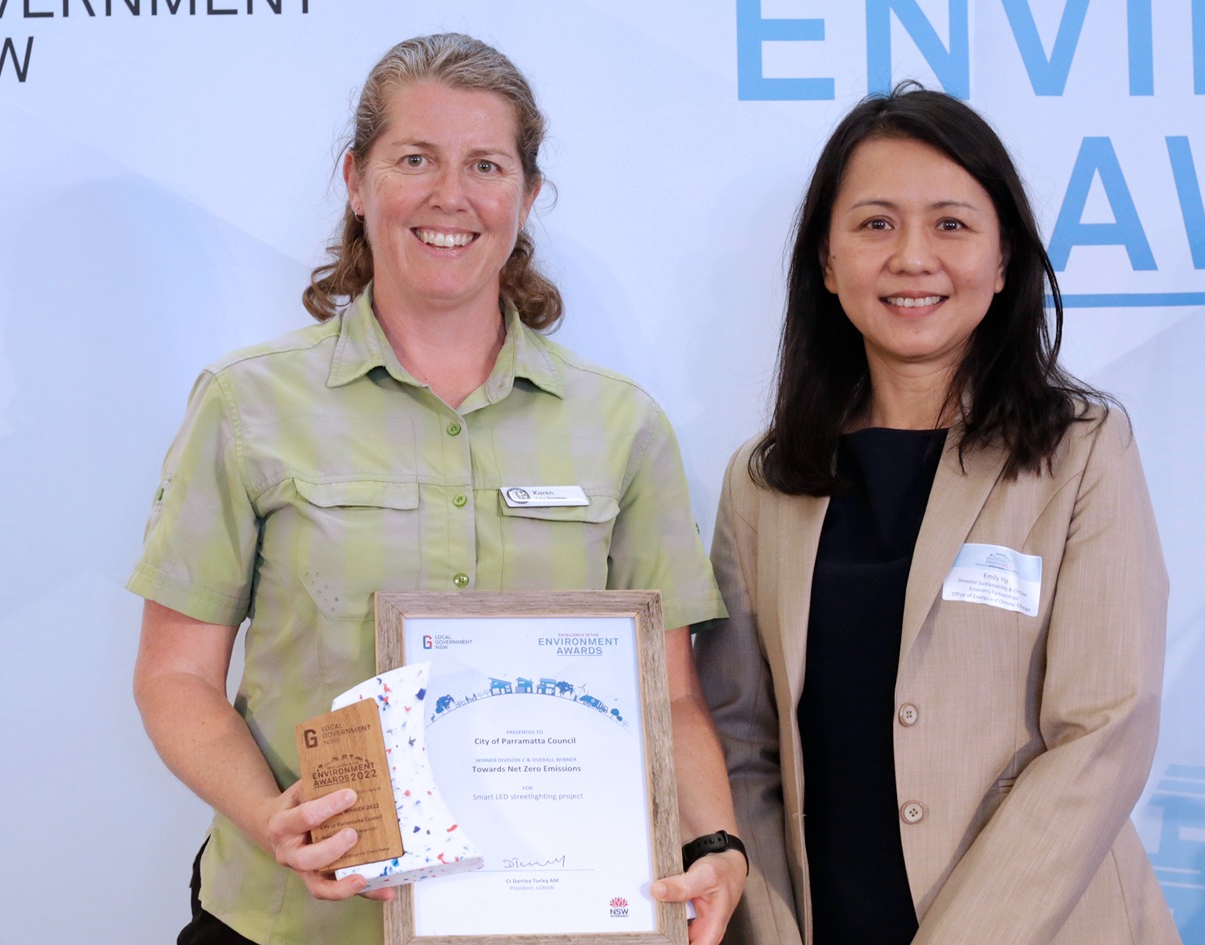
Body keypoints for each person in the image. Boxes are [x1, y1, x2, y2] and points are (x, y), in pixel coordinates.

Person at [129, 33, 746, 945]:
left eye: (485, 164)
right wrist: (271, 816)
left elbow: (674, 696)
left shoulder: (621, 425)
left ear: (527, 196)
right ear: (356, 178)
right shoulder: (247, 402)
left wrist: (718, 837)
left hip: (549, 921)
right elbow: (174, 677)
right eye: (414, 158)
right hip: (294, 924)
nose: (448, 195)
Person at [695, 85, 1179, 945]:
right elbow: (740, 738)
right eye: (876, 224)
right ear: (827, 261)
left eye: (951, 224)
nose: (913, 257)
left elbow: (1103, 729)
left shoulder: (1082, 453)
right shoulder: (763, 481)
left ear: (1003, 264)